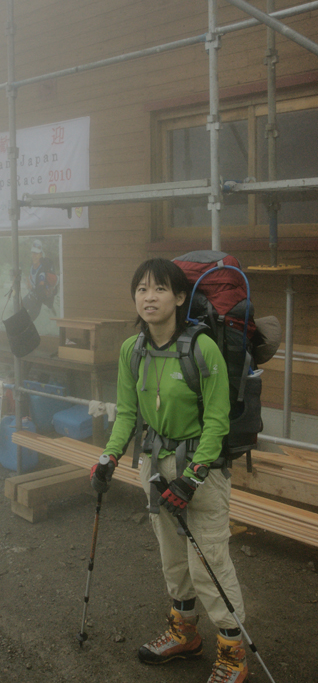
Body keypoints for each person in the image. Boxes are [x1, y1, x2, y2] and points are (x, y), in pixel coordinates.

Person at [90, 257, 247, 683]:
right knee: (173, 556)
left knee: (208, 560)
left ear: (179, 297)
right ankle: (185, 635)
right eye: (141, 289)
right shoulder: (132, 349)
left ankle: (234, 652)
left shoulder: (202, 348)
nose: (149, 297)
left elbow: (217, 421)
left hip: (202, 468)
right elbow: (126, 413)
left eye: (159, 289)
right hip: (155, 465)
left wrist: (192, 477)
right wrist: (110, 456)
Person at [22, 238, 59, 321]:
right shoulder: (32, 266)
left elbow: (40, 288)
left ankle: (50, 307)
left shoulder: (42, 272)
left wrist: (30, 287)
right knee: (18, 310)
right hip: (31, 297)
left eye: (36, 253)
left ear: (41, 255)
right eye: (33, 253)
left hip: (36, 303)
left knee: (27, 322)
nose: (34, 256)